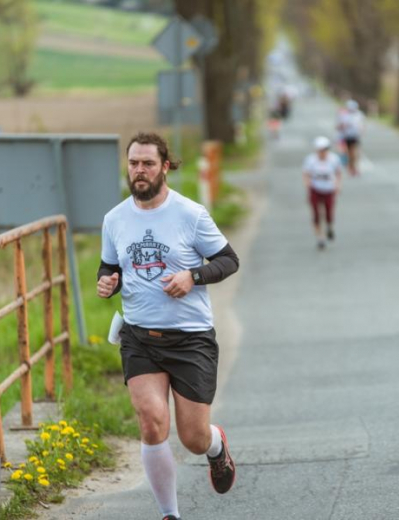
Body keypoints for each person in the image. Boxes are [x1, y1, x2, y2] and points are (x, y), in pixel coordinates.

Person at [97, 132, 239, 520]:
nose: (139, 171)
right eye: (133, 163)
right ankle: (169, 514)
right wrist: (107, 282)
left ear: (165, 167)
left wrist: (193, 276)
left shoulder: (190, 215)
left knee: (192, 437)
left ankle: (215, 447)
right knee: (151, 420)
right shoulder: (115, 219)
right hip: (139, 337)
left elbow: (228, 260)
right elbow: (110, 266)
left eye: (147, 163)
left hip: (190, 338)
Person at [303, 136, 343, 250]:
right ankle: (320, 238)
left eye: (325, 149)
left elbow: (338, 173)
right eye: (320, 150)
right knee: (316, 213)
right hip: (315, 189)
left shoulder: (334, 159)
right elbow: (306, 174)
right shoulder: (311, 160)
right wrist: (307, 185)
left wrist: (338, 185)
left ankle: (329, 227)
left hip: (329, 189)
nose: (323, 152)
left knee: (328, 213)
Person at [336, 99, 365, 176]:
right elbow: (338, 126)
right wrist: (343, 126)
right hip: (346, 136)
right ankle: (350, 168)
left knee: (355, 153)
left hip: (355, 136)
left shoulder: (359, 114)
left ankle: (354, 168)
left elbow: (362, 125)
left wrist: (361, 131)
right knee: (349, 153)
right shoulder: (344, 115)